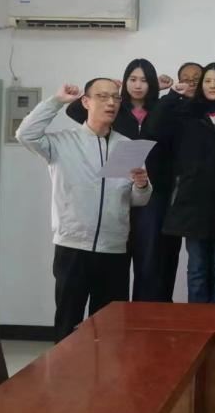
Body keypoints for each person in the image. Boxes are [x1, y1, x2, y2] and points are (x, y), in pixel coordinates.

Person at [16, 79, 152, 341]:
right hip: (73, 247)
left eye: (115, 97)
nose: (111, 103)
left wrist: (142, 185)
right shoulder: (63, 142)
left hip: (114, 249)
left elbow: (138, 200)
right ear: (86, 102)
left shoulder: (128, 146)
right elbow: (25, 134)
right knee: (68, 323)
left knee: (109, 330)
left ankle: (105, 370)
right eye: (102, 96)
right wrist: (56, 101)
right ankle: (65, 369)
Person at [64, 59, 180, 303]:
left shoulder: (162, 108)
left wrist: (163, 94)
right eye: (132, 79)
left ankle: (144, 315)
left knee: (149, 259)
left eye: (144, 80)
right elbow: (74, 111)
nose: (138, 85)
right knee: (116, 260)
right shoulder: (115, 107)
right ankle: (118, 314)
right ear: (124, 81)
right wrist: (109, 90)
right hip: (116, 190)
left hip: (151, 190)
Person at [155, 62, 215, 304]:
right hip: (192, 204)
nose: (212, 85)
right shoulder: (186, 115)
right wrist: (171, 95)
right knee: (197, 269)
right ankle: (197, 320)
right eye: (207, 81)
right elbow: (154, 129)